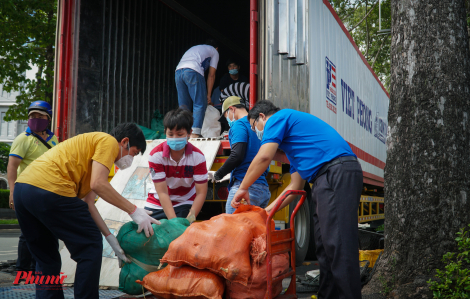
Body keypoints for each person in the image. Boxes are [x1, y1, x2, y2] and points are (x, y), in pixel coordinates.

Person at [231, 100, 363, 299]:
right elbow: (294, 188)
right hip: (323, 179)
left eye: (254, 127)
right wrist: (264, 212)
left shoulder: (279, 117)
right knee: (324, 247)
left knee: (339, 244)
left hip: (336, 172)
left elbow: (263, 157)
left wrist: (242, 188)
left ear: (262, 117)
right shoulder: (295, 149)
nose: (257, 133)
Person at [14, 123, 160, 299]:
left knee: (46, 257)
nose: (131, 159)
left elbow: (89, 203)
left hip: (23, 191)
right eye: (134, 153)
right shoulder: (109, 142)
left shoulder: (90, 158)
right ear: (125, 142)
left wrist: (110, 238)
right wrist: (134, 211)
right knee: (89, 247)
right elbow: (99, 185)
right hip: (51, 188)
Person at [8, 101, 59, 273]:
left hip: (46, 194)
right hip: (27, 192)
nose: (35, 119)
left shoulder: (54, 140)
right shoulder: (23, 139)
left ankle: (38, 270)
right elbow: (12, 166)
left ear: (48, 118)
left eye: (40, 116)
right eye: (32, 116)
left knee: (46, 232)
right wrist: (12, 193)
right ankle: (22, 271)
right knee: (28, 233)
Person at [209, 96, 270, 214]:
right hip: (263, 189)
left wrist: (218, 175)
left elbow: (237, 155)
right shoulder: (259, 126)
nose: (228, 121)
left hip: (246, 189)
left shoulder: (239, 125)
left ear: (231, 109)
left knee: (232, 230)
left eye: (226, 116)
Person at [145, 108, 208, 220]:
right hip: (157, 203)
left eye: (180, 134)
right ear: (165, 132)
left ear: (189, 133)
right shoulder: (155, 155)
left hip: (184, 202)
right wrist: (174, 223)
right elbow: (162, 192)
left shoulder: (198, 157)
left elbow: (201, 193)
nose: (175, 138)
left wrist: (190, 219)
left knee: (182, 233)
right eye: (171, 134)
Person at [175, 39, 219, 138]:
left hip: (178, 72)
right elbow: (211, 75)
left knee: (183, 106)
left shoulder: (196, 48)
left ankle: (182, 133)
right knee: (199, 103)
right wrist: (208, 95)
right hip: (193, 71)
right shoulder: (214, 51)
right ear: (217, 48)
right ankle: (195, 133)